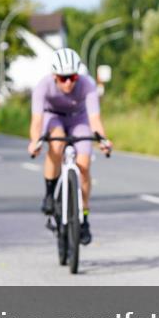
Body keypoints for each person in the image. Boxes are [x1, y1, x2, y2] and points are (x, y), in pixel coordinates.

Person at [28, 48, 112, 245]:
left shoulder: (87, 84)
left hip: (78, 119)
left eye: (72, 77)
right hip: (53, 117)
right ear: (54, 75)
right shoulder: (43, 86)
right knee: (56, 145)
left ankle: (84, 217)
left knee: (83, 165)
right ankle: (49, 195)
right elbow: (37, 121)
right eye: (63, 77)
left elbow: (94, 119)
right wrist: (35, 141)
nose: (68, 82)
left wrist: (104, 140)